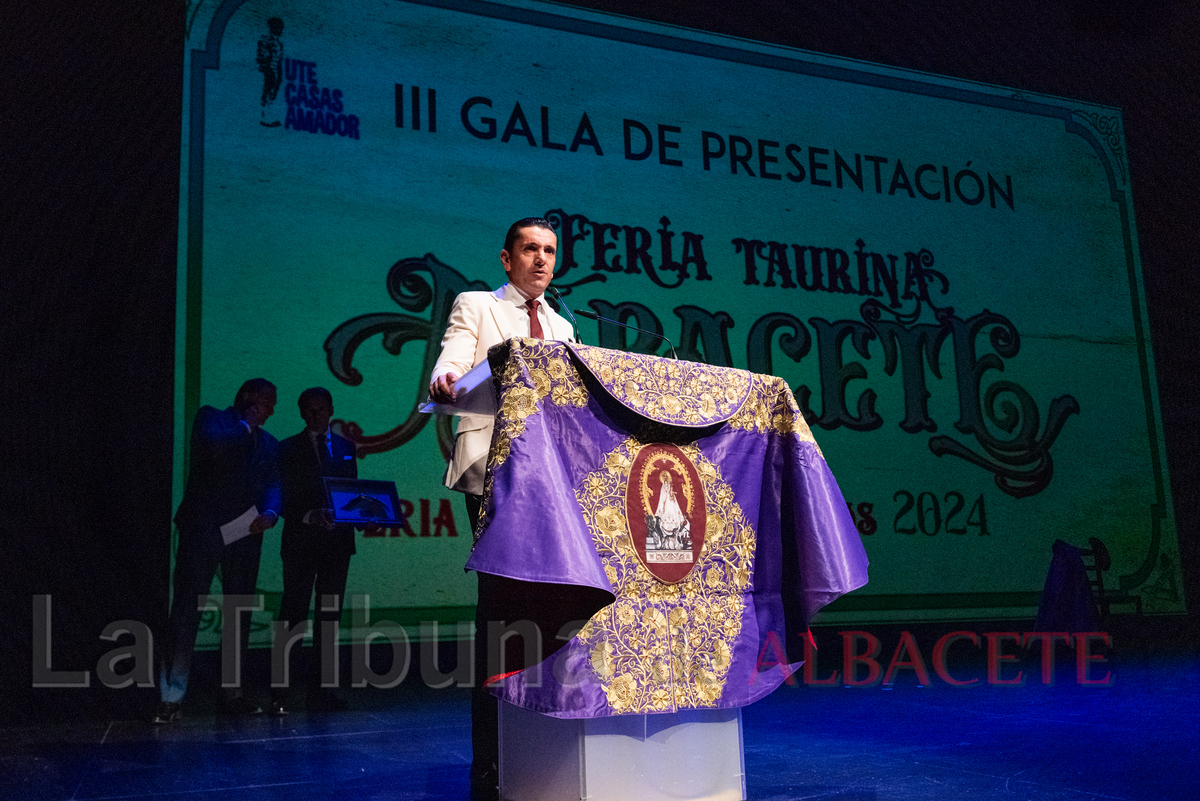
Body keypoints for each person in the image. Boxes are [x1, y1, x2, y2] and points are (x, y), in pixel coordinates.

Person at [429, 217, 577, 801]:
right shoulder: (478, 304)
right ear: (507, 258)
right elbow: (454, 356)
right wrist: (445, 378)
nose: (541, 260)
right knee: (501, 612)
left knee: (546, 612)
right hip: (494, 474)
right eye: (530, 250)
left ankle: (543, 751)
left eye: (549, 251)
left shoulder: (563, 326)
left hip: (555, 482)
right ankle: (489, 770)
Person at [153, 379, 281, 724]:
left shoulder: (268, 442)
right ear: (250, 400)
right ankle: (171, 697)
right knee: (186, 610)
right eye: (268, 403)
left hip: (245, 533)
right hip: (203, 528)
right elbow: (214, 448)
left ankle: (232, 693)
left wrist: (270, 512)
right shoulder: (212, 420)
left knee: (238, 612)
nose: (271, 411)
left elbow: (273, 482)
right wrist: (245, 426)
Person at [272, 387, 360, 713]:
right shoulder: (286, 449)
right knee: (292, 616)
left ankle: (319, 693)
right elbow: (280, 496)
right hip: (300, 542)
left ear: (331, 409)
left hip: (337, 544)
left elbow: (350, 493)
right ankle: (280, 692)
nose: (316, 415)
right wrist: (311, 515)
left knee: (329, 619)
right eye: (310, 410)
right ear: (301, 412)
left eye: (321, 409)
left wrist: (356, 515)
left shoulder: (346, 448)